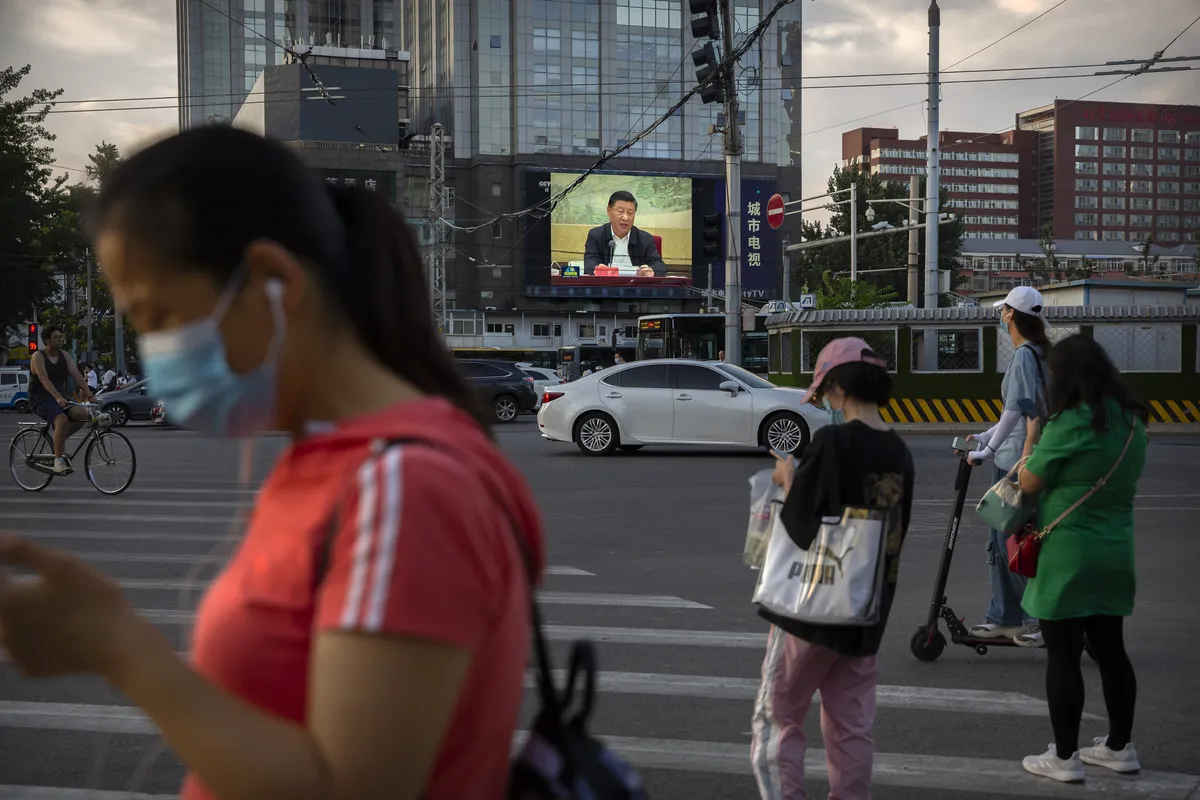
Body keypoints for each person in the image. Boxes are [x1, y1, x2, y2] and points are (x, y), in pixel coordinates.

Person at [0, 127, 546, 800]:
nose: (153, 351)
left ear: (272, 283)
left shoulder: (404, 486)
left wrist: (121, 651)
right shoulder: (336, 458)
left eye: (159, 316)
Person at [751, 337, 915, 800]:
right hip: (865, 610)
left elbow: (800, 527)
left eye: (823, 393)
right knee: (851, 727)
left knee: (777, 717)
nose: (824, 402)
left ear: (839, 388)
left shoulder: (831, 442)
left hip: (808, 608)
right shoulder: (898, 451)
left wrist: (787, 480)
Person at [1016, 334, 1147, 783]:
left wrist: (1030, 446)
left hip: (1068, 553)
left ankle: (1066, 758)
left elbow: (1030, 482)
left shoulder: (1071, 422)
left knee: (1064, 656)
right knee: (1112, 652)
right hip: (1115, 551)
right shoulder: (1132, 423)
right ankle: (1119, 747)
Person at [965, 285, 1051, 647]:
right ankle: (1004, 616)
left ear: (1011, 315)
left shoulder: (1023, 357)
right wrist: (986, 437)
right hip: (1016, 459)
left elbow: (1019, 410)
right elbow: (1010, 414)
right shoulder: (1040, 353)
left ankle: (1036, 619)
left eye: (1003, 311)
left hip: (1018, 464)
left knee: (1011, 542)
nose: (1001, 316)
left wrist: (989, 449)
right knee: (998, 542)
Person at [27, 325, 95, 474]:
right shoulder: (38, 356)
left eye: (60, 337)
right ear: (47, 341)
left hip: (60, 396)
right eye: (56, 337)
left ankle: (58, 443)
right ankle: (58, 461)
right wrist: (57, 397)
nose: (60, 340)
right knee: (61, 420)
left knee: (83, 415)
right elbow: (44, 379)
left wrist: (90, 394)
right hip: (40, 397)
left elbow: (77, 376)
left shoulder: (65, 355)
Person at [582, 190, 668, 277]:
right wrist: (598, 268)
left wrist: (651, 271)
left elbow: (660, 266)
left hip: (635, 287)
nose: (626, 218)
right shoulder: (596, 235)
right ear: (609, 211)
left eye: (630, 213)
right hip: (606, 287)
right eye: (620, 211)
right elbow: (589, 263)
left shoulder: (645, 238)